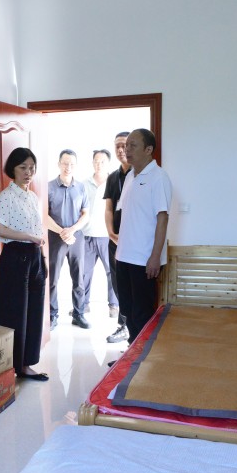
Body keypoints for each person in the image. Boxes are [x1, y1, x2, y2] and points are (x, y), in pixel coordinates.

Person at [0, 147, 49, 381]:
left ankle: (26, 364)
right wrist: (28, 237)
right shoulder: (6, 196)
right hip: (16, 256)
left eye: (32, 168)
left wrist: (40, 254)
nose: (28, 172)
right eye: (23, 167)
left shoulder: (32, 196)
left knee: (34, 311)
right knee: (15, 313)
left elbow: (37, 230)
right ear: (12, 169)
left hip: (34, 256)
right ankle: (10, 367)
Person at [114, 128, 172, 344]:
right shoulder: (130, 176)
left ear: (148, 150)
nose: (126, 150)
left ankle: (143, 359)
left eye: (133, 145)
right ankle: (132, 355)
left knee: (142, 314)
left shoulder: (159, 177)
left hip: (144, 259)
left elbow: (162, 218)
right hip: (124, 256)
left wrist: (155, 257)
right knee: (127, 310)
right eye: (126, 145)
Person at [47, 149, 90, 330]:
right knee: (52, 279)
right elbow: (44, 215)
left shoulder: (81, 187)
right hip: (55, 238)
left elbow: (86, 214)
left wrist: (72, 230)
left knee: (79, 278)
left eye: (72, 164)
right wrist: (61, 232)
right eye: (65, 163)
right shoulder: (49, 187)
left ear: (76, 165)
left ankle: (79, 314)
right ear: (59, 164)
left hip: (76, 238)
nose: (68, 167)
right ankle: (52, 315)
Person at [81, 149, 119, 318]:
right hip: (87, 235)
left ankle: (114, 305)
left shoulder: (114, 182)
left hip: (107, 236)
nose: (99, 164)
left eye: (102, 161)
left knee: (112, 272)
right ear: (92, 163)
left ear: (108, 163)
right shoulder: (84, 184)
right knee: (85, 272)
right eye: (96, 161)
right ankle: (83, 304)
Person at [103, 132, 131, 343]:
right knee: (118, 283)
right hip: (115, 240)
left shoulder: (139, 175)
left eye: (124, 145)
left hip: (135, 241)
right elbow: (109, 208)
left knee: (133, 284)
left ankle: (134, 327)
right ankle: (124, 325)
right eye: (117, 146)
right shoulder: (113, 177)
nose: (120, 150)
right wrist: (111, 233)